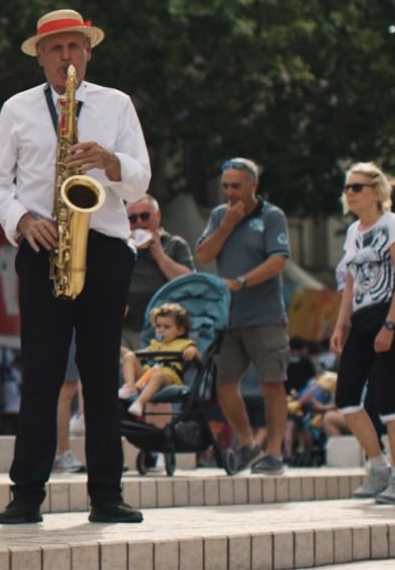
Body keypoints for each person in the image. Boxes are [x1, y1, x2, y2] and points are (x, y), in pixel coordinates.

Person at [0, 8, 150, 526]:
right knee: (42, 374)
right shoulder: (16, 108)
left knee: (101, 374)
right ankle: (26, 494)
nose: (66, 57)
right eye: (55, 48)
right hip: (42, 243)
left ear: (88, 52)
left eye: (74, 47)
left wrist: (110, 161)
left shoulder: (116, 104)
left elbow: (140, 181)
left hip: (103, 245)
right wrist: (22, 220)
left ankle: (107, 495)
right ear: (40, 56)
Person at [194, 157, 291, 475]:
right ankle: (248, 444)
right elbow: (203, 256)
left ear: (253, 184)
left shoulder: (272, 216)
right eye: (226, 187)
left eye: (236, 186)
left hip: (265, 317)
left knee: (273, 385)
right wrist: (227, 225)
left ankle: (274, 452)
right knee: (225, 385)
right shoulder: (220, 215)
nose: (230, 192)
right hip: (229, 319)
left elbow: (278, 262)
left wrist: (241, 282)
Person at [331, 162, 395, 505]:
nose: (350, 193)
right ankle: (378, 466)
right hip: (363, 317)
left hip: (393, 316)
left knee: (388, 399)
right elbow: (350, 281)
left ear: (376, 190)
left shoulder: (394, 225)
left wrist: (390, 325)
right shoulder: (353, 232)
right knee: (347, 397)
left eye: (357, 187)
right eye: (347, 187)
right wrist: (341, 324)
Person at [124, 196, 196, 350]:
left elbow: (188, 282)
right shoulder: (122, 248)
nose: (140, 223)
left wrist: (159, 255)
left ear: (157, 216)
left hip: (163, 328)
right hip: (127, 326)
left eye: (145, 216)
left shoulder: (174, 243)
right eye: (132, 219)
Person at [121, 303, 200, 418]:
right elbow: (136, 355)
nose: (161, 330)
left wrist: (192, 350)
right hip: (146, 376)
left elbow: (197, 355)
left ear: (180, 331)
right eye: (158, 326)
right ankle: (129, 387)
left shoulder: (184, 344)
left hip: (167, 378)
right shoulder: (155, 345)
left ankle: (139, 403)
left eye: (166, 327)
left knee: (158, 375)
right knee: (129, 356)